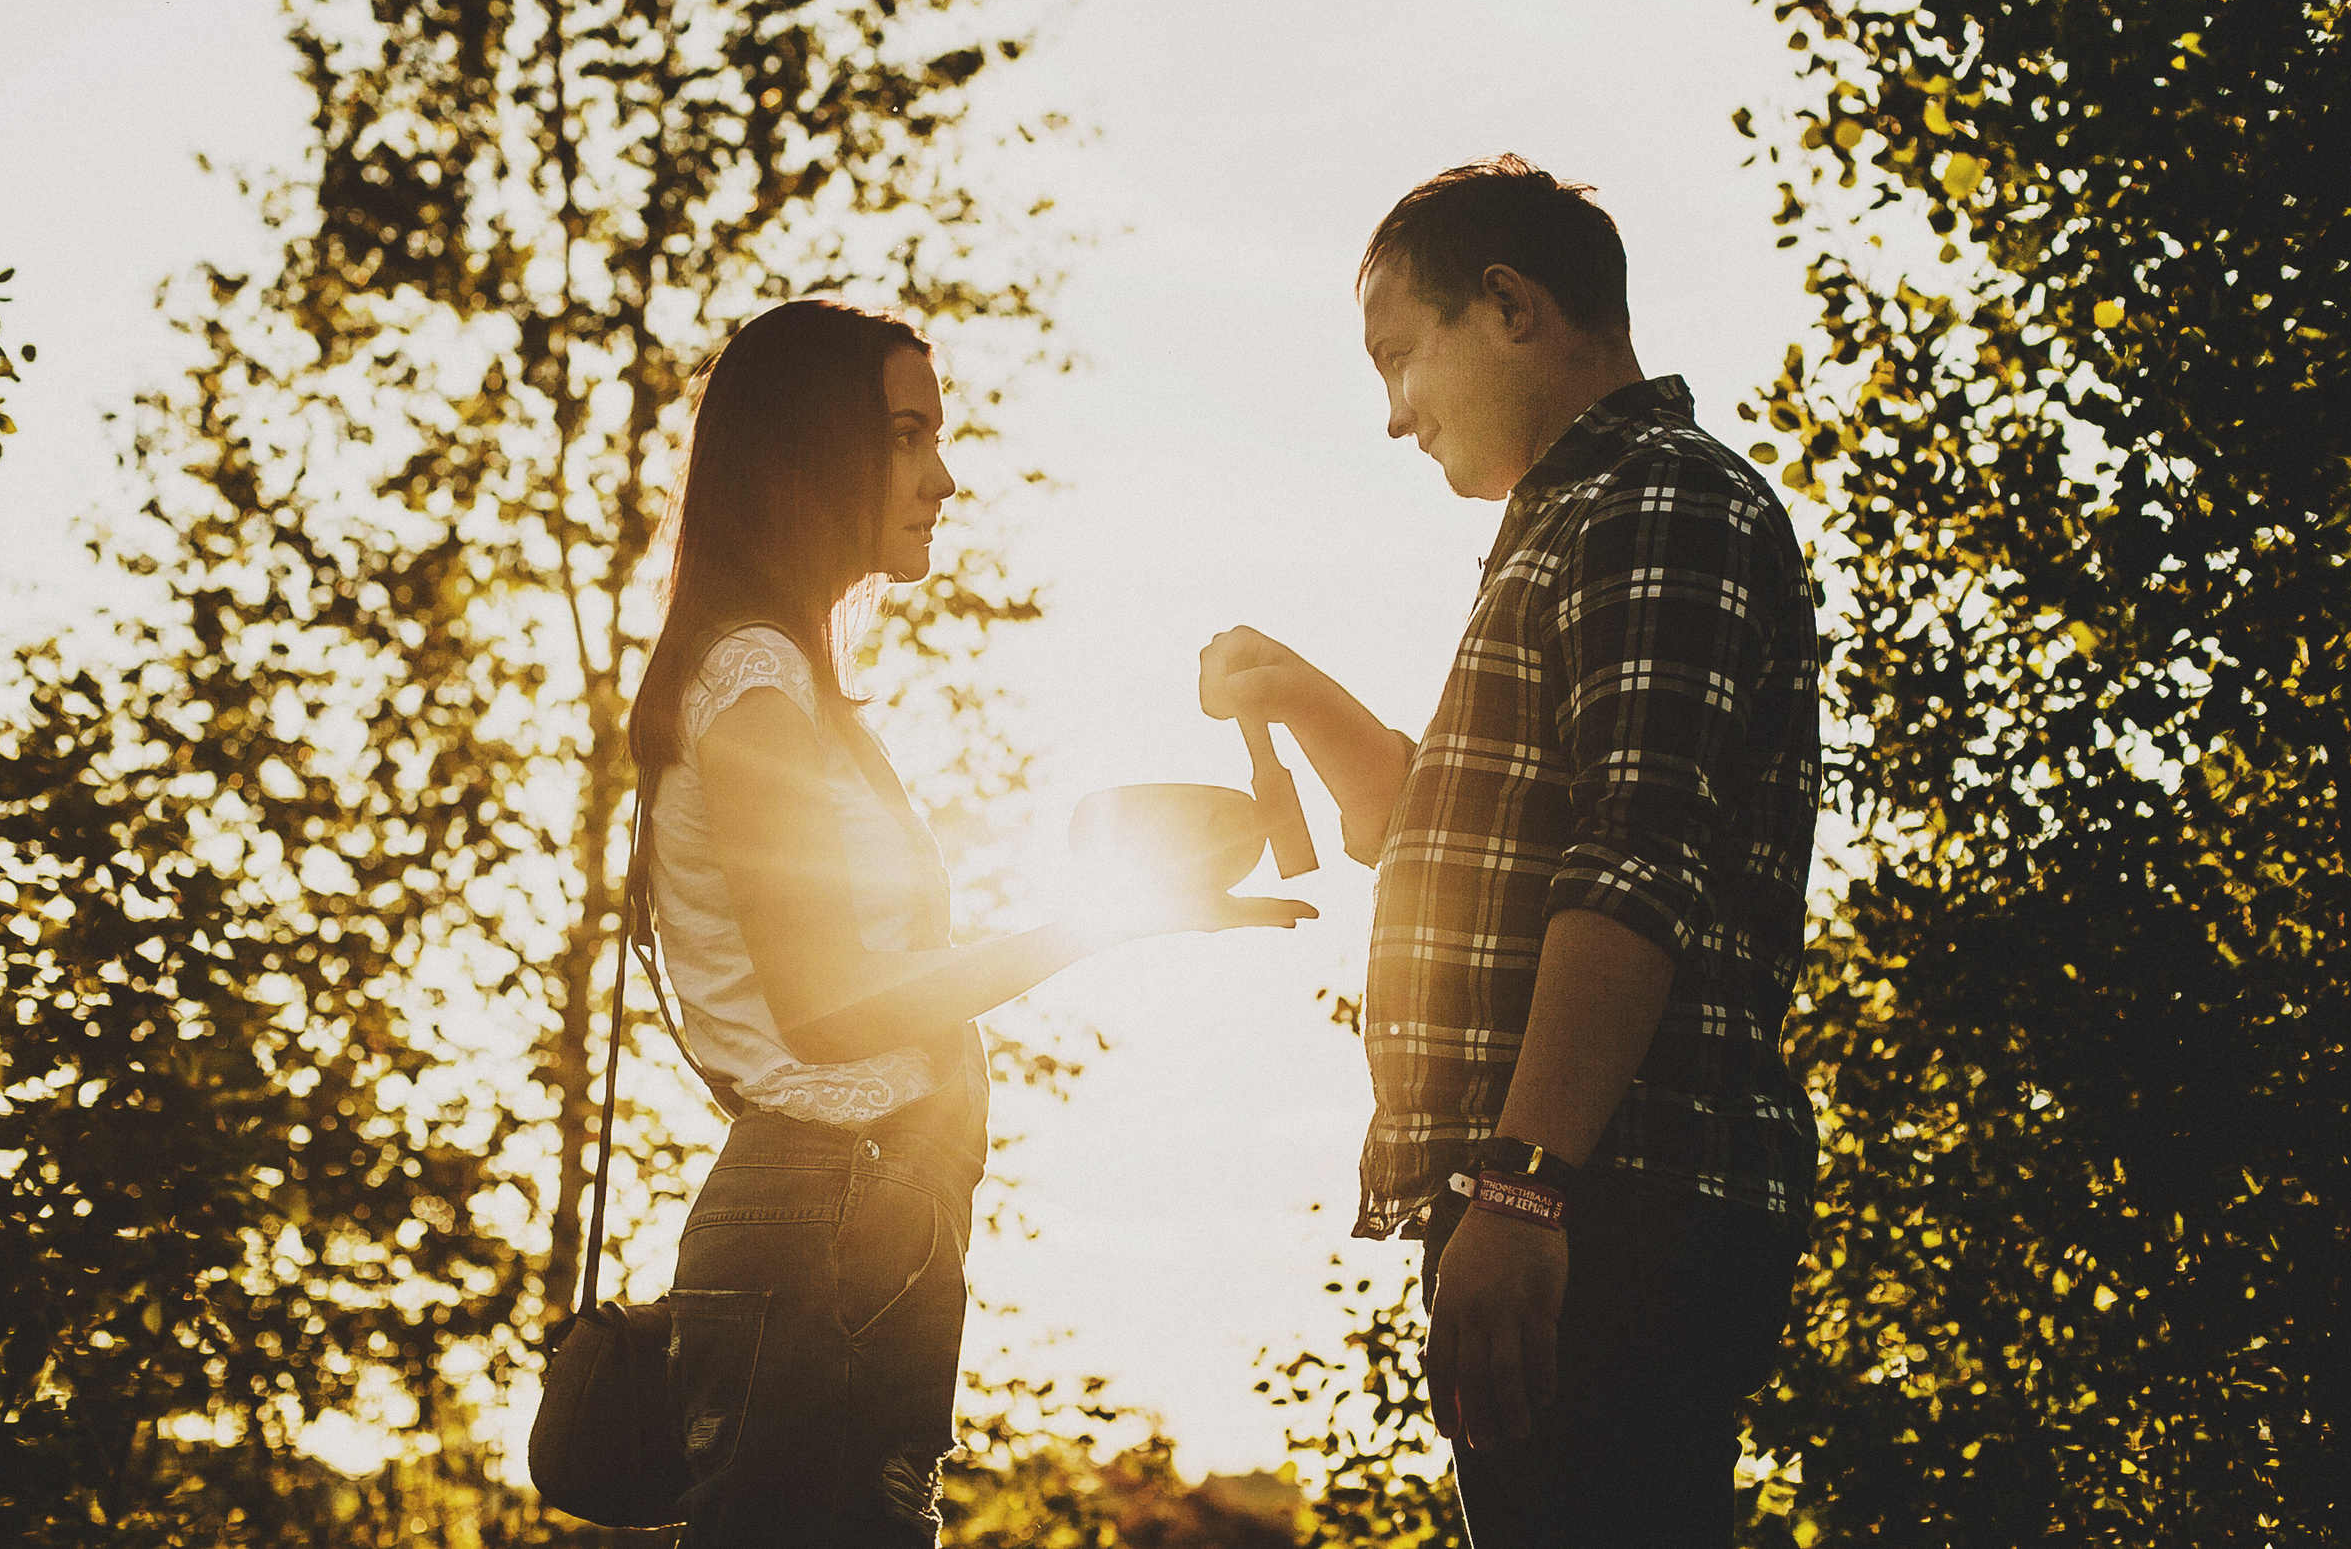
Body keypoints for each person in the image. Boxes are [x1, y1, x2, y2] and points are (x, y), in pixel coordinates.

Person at [1198, 156, 1819, 1544]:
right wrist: (1298, 690)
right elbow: (1461, 846)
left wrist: (1523, 1182)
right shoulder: (1572, 523)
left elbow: (1633, 866)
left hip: (1610, 1195)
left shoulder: (1656, 500)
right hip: (1564, 1191)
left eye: (1399, 355)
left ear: (1509, 305)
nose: (1393, 412)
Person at [630, 298, 1311, 1547]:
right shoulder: (753, 686)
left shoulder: (780, 684)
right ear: (807, 454)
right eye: (907, 436)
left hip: (856, 1222)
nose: (943, 475)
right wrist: (1099, 928)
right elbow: (830, 1010)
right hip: (822, 1228)